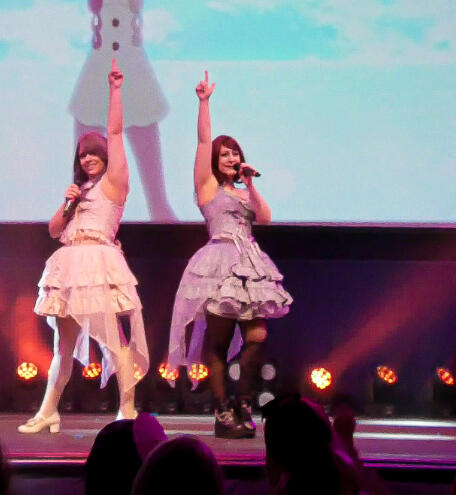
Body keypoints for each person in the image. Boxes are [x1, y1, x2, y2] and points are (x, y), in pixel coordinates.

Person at [20, 59, 149, 433]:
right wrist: (68, 203)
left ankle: (127, 410)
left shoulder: (114, 184)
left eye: (93, 152)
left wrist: (115, 90)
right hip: (68, 265)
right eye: (82, 154)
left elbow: (116, 131)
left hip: (97, 263)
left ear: (105, 156)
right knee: (63, 346)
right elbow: (53, 230)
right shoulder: (79, 192)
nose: (88, 158)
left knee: (113, 341)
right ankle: (48, 411)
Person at [165, 71, 292, 438]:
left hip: (250, 265)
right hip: (219, 263)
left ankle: (243, 402)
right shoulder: (207, 187)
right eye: (224, 154)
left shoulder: (244, 190)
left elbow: (265, 218)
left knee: (257, 337)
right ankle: (222, 412)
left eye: (234, 153)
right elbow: (203, 141)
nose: (230, 157)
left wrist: (250, 183)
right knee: (218, 344)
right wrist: (204, 102)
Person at [70, 0, 175, 221]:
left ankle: (161, 220)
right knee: (83, 182)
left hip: (131, 69)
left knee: (157, 201)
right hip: (100, 68)